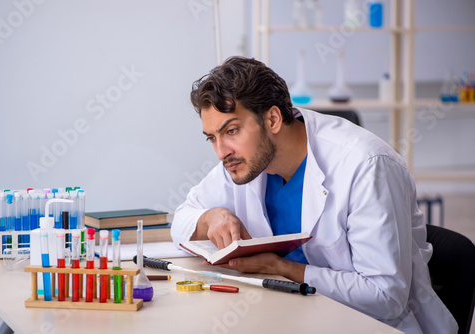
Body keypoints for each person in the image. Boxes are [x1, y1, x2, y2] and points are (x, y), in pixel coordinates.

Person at [170, 56, 457, 333]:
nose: (221, 152)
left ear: (272, 119)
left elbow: (386, 298)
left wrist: (282, 268)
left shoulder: (366, 165)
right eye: (212, 138)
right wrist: (211, 218)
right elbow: (181, 220)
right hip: (283, 316)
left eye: (231, 130)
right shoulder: (242, 161)